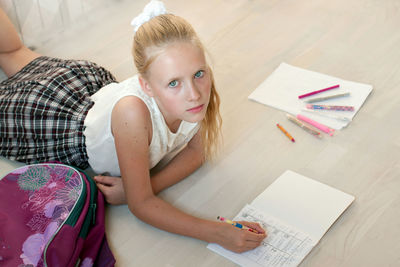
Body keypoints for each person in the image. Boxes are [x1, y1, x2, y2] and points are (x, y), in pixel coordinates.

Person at [0, 1, 266, 253]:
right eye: (174, 83)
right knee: (11, 54)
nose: (195, 94)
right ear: (147, 86)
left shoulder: (197, 91)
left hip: (86, 91)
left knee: (14, 52)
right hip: (54, 117)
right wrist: (217, 233)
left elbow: (198, 152)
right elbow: (142, 205)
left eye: (199, 73)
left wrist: (146, 184)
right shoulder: (134, 113)